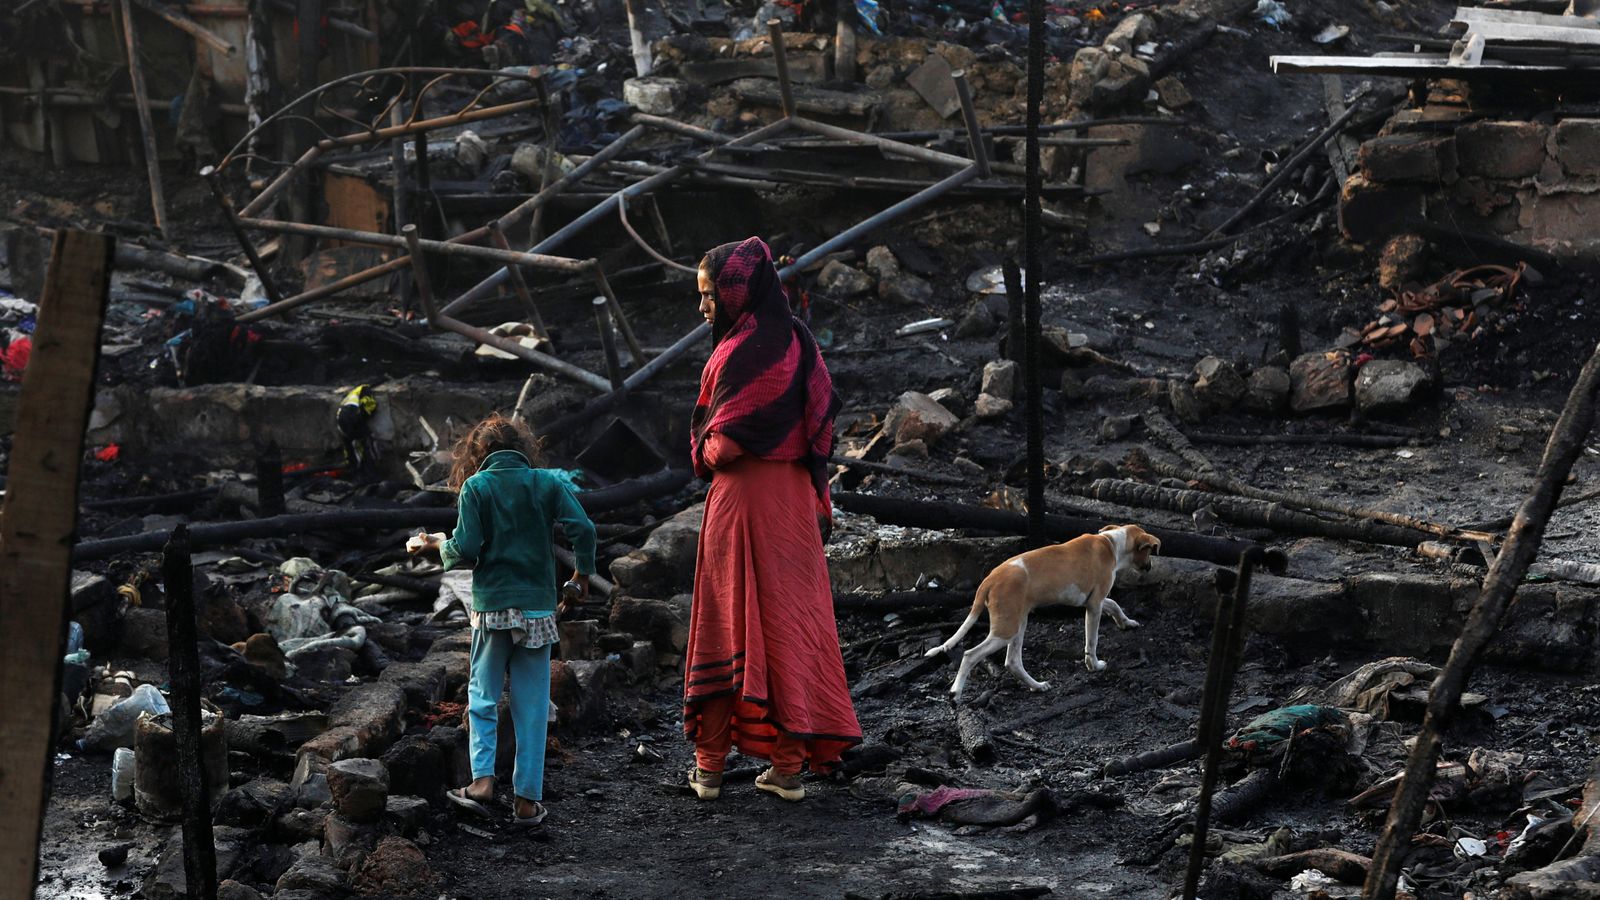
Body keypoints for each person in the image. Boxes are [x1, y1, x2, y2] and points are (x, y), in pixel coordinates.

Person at [683, 236, 862, 803]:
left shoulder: (739, 351)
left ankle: (709, 769)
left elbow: (727, 443)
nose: (704, 307)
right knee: (790, 627)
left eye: (710, 294)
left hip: (739, 507)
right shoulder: (800, 343)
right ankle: (786, 770)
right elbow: (820, 418)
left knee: (723, 623)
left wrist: (703, 449)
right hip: (792, 505)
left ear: (738, 292)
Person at [408, 413, 595, 826]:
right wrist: (581, 576)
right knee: (531, 706)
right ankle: (527, 801)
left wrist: (437, 547)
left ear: (477, 454)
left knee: (484, 696)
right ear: (523, 447)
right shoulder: (547, 483)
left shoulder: (477, 486)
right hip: (538, 610)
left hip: (493, 610)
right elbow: (583, 528)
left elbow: (467, 549)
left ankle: (482, 783)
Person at [336, 384, 379, 475]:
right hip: (349, 416)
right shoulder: (365, 390)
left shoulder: (350, 397)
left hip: (341, 420)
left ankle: (353, 467)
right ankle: (369, 467)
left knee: (350, 444)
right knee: (365, 439)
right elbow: (370, 406)